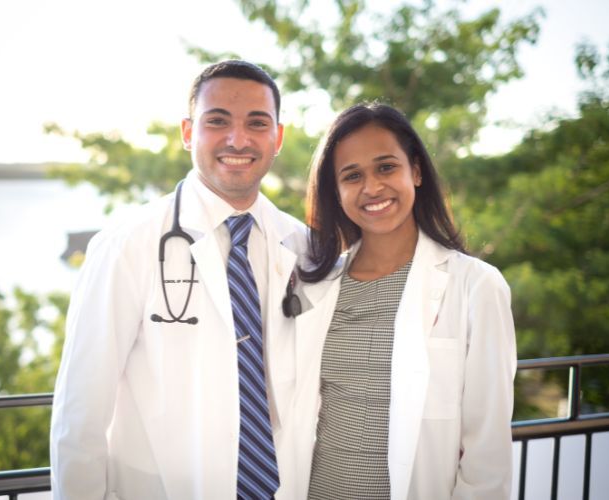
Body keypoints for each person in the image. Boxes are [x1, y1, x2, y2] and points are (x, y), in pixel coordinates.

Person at [50, 60, 314, 499]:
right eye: (218, 121)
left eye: (257, 123)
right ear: (188, 132)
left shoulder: (304, 247)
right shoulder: (125, 245)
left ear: (277, 138)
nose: (238, 139)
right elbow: (81, 414)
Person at [294, 103, 517, 499]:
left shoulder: (475, 285)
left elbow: (488, 449)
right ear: (336, 191)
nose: (372, 187)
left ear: (415, 171)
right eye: (352, 175)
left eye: (386, 167)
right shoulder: (316, 286)